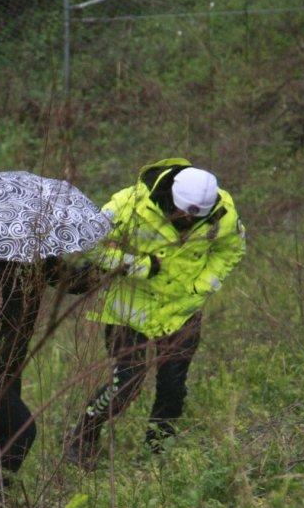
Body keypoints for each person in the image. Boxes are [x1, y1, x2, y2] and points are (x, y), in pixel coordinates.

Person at [65, 158, 246, 466]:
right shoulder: (129, 202)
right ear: (172, 197)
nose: (186, 223)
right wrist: (137, 266)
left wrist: (202, 286)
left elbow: (232, 248)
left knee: (173, 388)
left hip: (181, 311)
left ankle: (155, 455)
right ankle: (83, 435)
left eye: (194, 219)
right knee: (126, 385)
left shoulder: (222, 210)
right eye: (181, 215)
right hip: (129, 313)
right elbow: (89, 243)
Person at [0, 257, 97, 502]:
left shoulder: (38, 261)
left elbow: (73, 282)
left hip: (9, 364)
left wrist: (103, 265)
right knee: (22, 429)